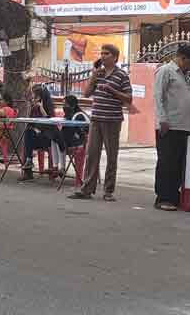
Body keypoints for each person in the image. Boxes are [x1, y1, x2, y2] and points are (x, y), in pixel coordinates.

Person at [69, 44, 132, 202]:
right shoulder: (99, 73)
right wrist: (94, 76)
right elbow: (87, 93)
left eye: (107, 54)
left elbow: (129, 99)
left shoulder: (121, 75)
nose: (103, 56)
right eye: (102, 53)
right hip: (96, 118)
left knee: (111, 156)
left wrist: (113, 91)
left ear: (115, 57)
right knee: (92, 154)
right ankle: (87, 189)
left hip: (112, 120)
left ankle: (108, 191)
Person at [152, 43, 190, 212]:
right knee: (167, 162)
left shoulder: (183, 75)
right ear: (182, 58)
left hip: (183, 126)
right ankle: (162, 197)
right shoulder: (166, 71)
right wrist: (162, 120)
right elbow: (158, 96)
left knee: (178, 163)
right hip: (169, 125)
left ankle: (173, 195)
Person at [20, 84, 65, 182]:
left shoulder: (47, 107)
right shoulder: (33, 106)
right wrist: (30, 108)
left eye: (34, 96)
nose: (33, 98)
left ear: (40, 97)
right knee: (28, 133)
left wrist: (41, 108)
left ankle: (29, 161)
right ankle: (29, 163)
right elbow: (30, 122)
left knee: (29, 136)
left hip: (48, 139)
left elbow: (50, 122)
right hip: (37, 136)